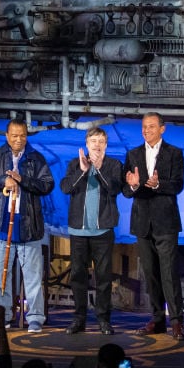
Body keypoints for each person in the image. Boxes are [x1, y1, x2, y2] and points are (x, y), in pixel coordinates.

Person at [0, 118, 55, 333]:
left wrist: (23, 179)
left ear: (26, 136)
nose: (18, 139)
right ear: (7, 136)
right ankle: (3, 316)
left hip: (28, 227)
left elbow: (47, 184)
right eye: (14, 135)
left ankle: (35, 317)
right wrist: (3, 182)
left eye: (22, 135)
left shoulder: (36, 158)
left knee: (32, 277)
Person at [123, 112, 184, 341]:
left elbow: (178, 184)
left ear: (162, 128)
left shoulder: (174, 153)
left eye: (151, 126)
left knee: (169, 273)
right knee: (150, 274)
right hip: (142, 222)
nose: (146, 130)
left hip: (166, 222)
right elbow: (125, 188)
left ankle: (177, 321)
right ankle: (157, 319)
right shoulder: (133, 154)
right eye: (144, 127)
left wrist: (159, 184)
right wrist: (131, 186)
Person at [59, 127, 122, 336]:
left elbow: (114, 189)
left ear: (106, 145)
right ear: (87, 144)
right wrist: (83, 171)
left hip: (103, 231)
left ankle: (103, 319)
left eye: (101, 141)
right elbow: (66, 188)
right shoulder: (74, 164)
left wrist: (100, 168)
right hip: (78, 230)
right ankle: (79, 318)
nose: (96, 145)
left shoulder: (113, 165)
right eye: (93, 140)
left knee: (103, 277)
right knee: (78, 276)